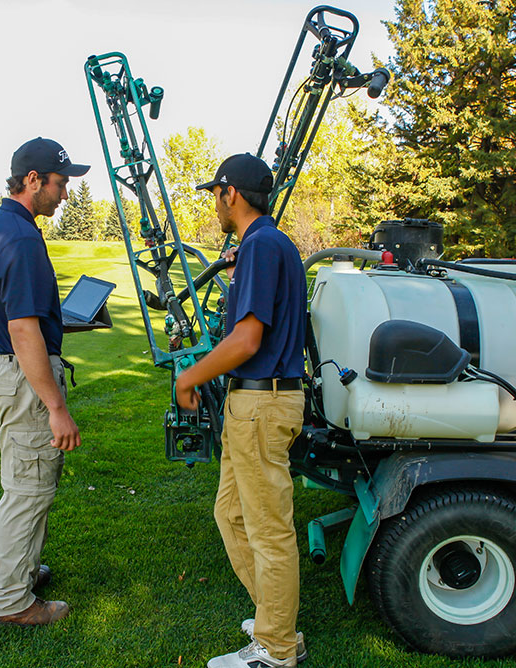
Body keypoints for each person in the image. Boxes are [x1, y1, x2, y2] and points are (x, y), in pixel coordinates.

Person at [175, 154, 308, 668]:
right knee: (230, 514)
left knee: (269, 530)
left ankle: (275, 649)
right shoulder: (268, 245)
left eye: (216, 193)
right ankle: (276, 617)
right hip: (256, 401)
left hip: (261, 402)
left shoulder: (260, 247)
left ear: (231, 193)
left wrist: (190, 376)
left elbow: (248, 338)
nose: (215, 202)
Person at [0, 137, 88, 626]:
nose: (65, 195)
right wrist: (56, 406)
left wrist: (67, 322)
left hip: (8, 373)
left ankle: (19, 573)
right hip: (23, 377)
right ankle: (10, 602)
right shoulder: (19, 237)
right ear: (33, 179)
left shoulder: (2, 229)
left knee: (26, 481)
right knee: (28, 488)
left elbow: (25, 317)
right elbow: (21, 329)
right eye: (60, 184)